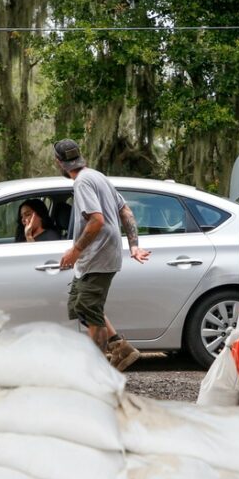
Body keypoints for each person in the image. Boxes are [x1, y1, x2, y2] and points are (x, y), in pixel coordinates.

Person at [53, 138, 150, 371]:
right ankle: (120, 347)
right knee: (80, 305)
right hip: (96, 257)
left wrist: (74, 251)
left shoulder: (83, 182)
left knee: (88, 307)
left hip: (99, 256)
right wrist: (133, 244)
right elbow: (124, 211)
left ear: (58, 162)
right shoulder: (97, 176)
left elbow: (97, 220)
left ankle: (96, 370)